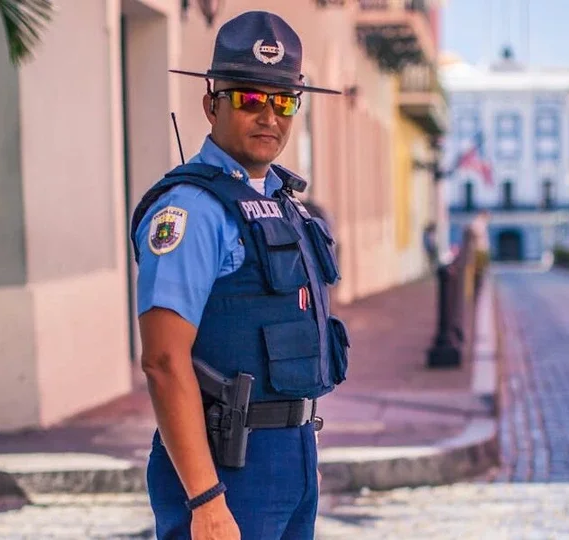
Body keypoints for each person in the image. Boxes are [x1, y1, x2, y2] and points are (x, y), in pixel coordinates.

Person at [129, 11, 349, 540]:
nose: (269, 116)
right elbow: (163, 360)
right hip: (226, 465)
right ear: (211, 104)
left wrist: (298, 455)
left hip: (289, 455)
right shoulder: (190, 211)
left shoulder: (282, 202)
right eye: (250, 99)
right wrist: (205, 499)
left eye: (283, 101)